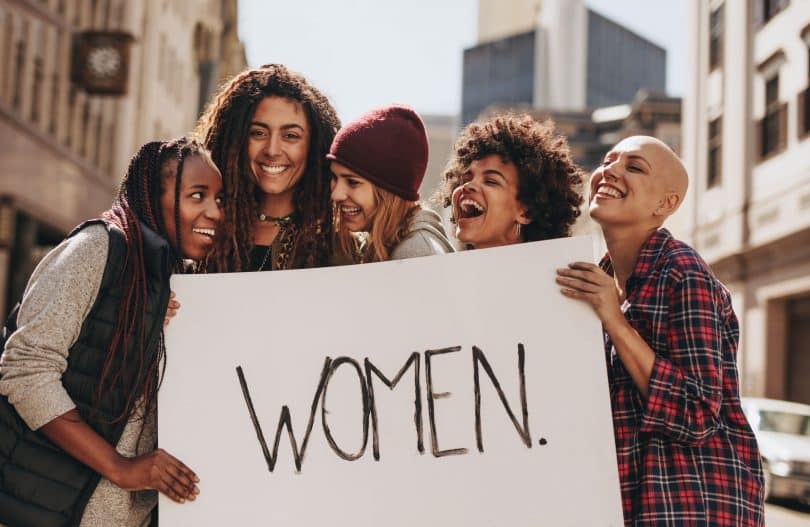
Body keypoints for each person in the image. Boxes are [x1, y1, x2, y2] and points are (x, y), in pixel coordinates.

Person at [0, 137, 223, 526]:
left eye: (219, 200)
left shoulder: (170, 282)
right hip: (43, 509)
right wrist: (119, 467)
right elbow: (26, 370)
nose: (214, 212)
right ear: (153, 198)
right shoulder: (97, 248)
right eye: (197, 195)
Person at [555, 136, 764, 526]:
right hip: (632, 504)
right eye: (608, 160)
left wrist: (615, 321)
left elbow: (698, 412)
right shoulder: (596, 280)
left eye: (634, 167)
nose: (610, 171)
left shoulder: (682, 271)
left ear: (666, 204)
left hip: (694, 508)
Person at [196, 63, 340, 271]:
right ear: (236, 140)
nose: (272, 150)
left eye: (290, 136)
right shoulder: (204, 229)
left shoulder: (335, 246)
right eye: (258, 133)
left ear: (313, 145)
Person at [435, 113, 583, 249]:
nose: (468, 185)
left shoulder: (555, 276)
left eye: (491, 181)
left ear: (527, 212)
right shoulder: (445, 274)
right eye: (465, 179)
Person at [328, 105, 453, 262]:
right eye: (334, 177)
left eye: (352, 182)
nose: (336, 194)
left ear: (389, 190)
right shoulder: (388, 245)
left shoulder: (416, 254)